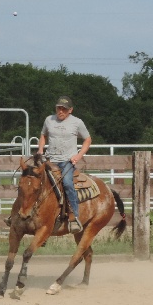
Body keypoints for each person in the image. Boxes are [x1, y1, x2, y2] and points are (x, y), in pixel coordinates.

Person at [36, 95, 92, 233]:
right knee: (32, 179)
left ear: (70, 110)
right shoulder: (49, 120)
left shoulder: (77, 122)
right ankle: (21, 212)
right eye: (58, 108)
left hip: (67, 160)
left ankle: (74, 216)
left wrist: (78, 155)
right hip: (50, 159)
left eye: (64, 109)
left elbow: (88, 139)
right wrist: (40, 149)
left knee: (67, 183)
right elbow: (43, 135)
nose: (60, 111)